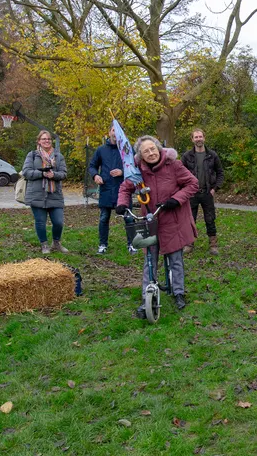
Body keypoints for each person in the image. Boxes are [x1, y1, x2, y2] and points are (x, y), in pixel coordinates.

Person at [116, 136, 198, 318]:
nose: (151, 153)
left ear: (159, 149)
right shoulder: (137, 171)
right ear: (140, 155)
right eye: (146, 151)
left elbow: (193, 184)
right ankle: (147, 297)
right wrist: (122, 204)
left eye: (153, 149)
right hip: (150, 221)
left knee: (175, 258)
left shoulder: (174, 165)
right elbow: (125, 188)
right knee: (149, 261)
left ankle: (178, 292)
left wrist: (176, 200)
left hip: (172, 219)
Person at [88, 126, 135, 254]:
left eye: (118, 130)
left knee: (129, 218)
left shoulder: (128, 149)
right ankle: (103, 245)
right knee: (104, 218)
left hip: (123, 190)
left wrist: (123, 172)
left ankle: (132, 244)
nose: (115, 133)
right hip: (106, 189)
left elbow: (135, 168)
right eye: (113, 130)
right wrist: (95, 175)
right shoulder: (101, 150)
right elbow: (92, 166)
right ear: (109, 132)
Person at [22, 130, 68, 254]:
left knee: (58, 222)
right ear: (39, 141)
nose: (46, 141)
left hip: (55, 194)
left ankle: (56, 244)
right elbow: (26, 172)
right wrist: (42, 173)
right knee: (40, 222)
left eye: (48, 139)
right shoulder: (32, 155)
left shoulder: (59, 156)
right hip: (37, 194)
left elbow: (64, 174)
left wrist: (54, 175)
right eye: (43, 139)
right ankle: (44, 245)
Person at [181, 128, 224, 255]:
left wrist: (215, 188)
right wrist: (185, 189)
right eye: (196, 137)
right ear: (192, 139)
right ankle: (189, 244)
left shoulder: (212, 155)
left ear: (204, 138)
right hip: (192, 194)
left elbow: (220, 173)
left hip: (207, 192)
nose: (198, 139)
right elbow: (180, 174)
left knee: (210, 219)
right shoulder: (187, 156)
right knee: (190, 219)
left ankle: (213, 245)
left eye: (200, 136)